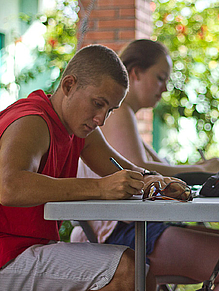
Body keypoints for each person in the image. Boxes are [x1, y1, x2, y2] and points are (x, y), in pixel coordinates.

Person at [72, 39, 219, 291]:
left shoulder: (127, 119)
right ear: (136, 73)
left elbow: (152, 171)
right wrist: (202, 169)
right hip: (121, 234)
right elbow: (138, 168)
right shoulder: (116, 112)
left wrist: (202, 166)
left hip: (142, 225)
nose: (164, 88)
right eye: (160, 78)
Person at [0, 44, 187, 290]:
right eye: (98, 103)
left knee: (141, 273)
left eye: (110, 110)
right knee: (129, 272)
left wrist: (157, 182)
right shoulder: (32, 120)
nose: (101, 119)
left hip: (28, 249)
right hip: (8, 254)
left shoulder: (79, 129)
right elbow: (9, 187)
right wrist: (99, 187)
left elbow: (119, 168)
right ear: (69, 86)